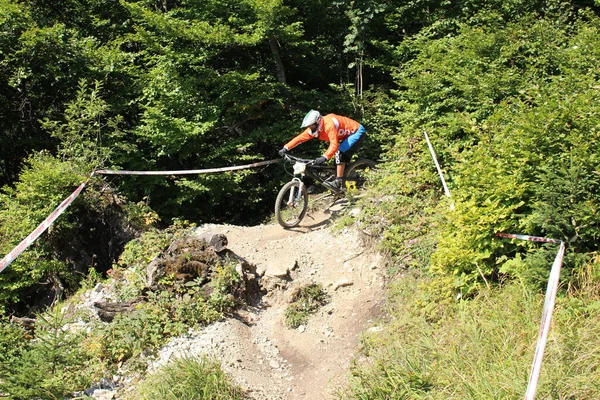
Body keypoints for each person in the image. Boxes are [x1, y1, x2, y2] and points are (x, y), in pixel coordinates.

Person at [278, 110, 367, 192]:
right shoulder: (314, 128)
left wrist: (324, 157)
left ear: (318, 122)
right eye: (309, 126)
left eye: (312, 125)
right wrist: (286, 147)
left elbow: (334, 145)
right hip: (345, 136)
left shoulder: (329, 125)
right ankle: (343, 181)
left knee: (340, 152)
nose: (310, 128)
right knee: (337, 160)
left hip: (356, 131)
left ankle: (338, 182)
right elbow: (300, 138)